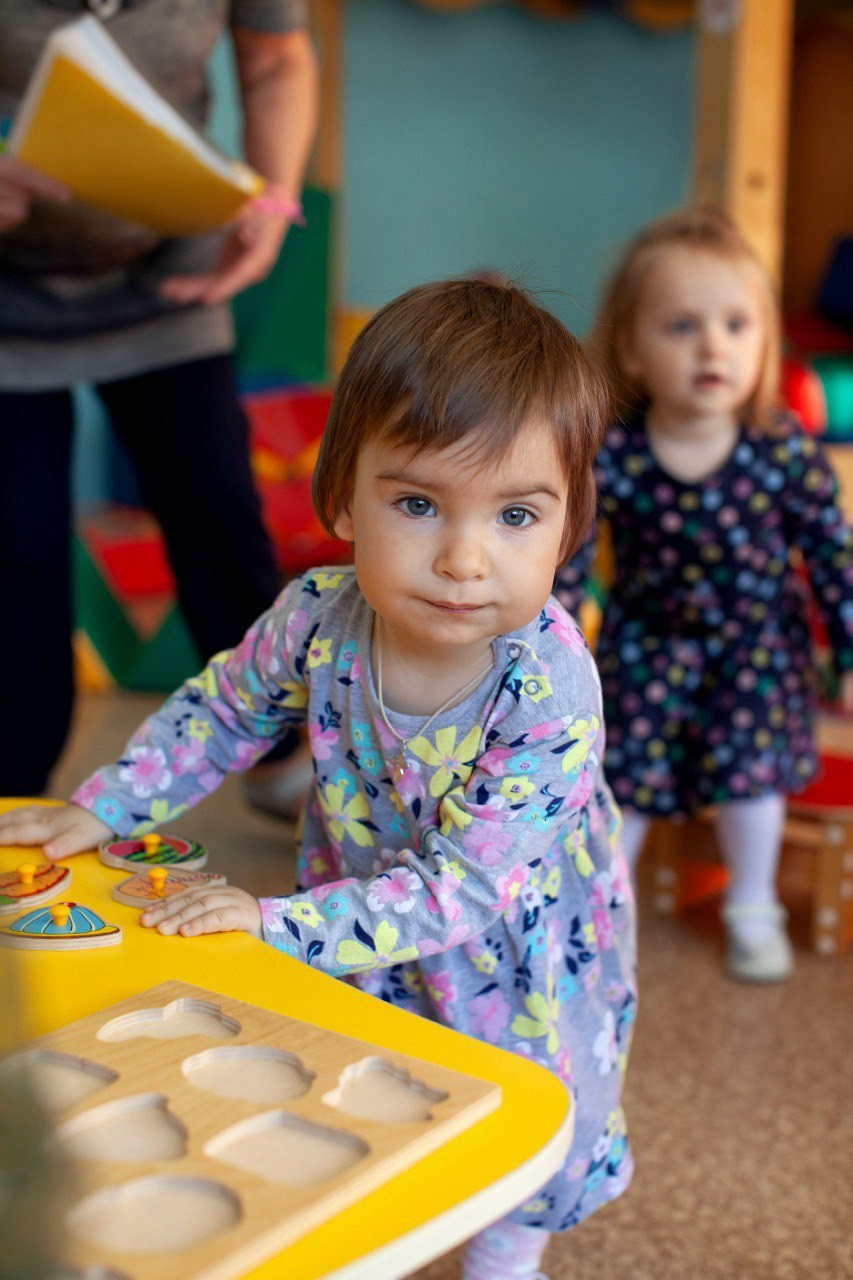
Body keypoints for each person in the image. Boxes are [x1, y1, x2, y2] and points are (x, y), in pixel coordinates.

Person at [0, 277, 637, 1280]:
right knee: (359, 1075)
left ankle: (507, 1254)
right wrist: (103, 806)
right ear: (341, 497)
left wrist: (277, 922)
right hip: (358, 899)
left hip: (506, 941)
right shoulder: (315, 613)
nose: (465, 557)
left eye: (516, 515)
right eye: (419, 503)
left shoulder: (550, 688)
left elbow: (466, 889)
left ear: (566, 527)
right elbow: (220, 710)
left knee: (503, 1099)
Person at [0, 0, 318, 810]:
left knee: (216, 508)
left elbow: (277, 58)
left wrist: (276, 198)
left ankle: (285, 756)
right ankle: (17, 794)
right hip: (9, 295)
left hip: (172, 272)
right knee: (17, 549)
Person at [555, 206, 853, 983]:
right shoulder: (613, 451)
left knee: (751, 770)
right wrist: (544, 647)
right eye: (681, 327)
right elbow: (568, 552)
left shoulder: (781, 449)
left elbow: (830, 554)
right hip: (647, 638)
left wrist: (847, 650)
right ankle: (593, 907)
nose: (712, 346)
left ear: (762, 342)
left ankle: (750, 903)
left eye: (735, 325)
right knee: (618, 774)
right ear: (630, 347)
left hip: (756, 645)